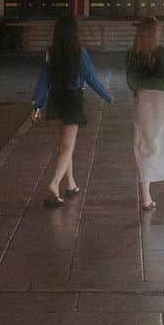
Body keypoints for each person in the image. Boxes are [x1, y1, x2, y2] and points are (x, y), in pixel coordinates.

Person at [32, 15, 112, 208]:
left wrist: (37, 104)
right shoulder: (80, 53)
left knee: (65, 145)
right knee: (68, 147)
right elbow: (91, 78)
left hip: (57, 98)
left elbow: (43, 81)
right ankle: (54, 184)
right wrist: (107, 96)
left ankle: (71, 184)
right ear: (74, 32)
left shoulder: (51, 53)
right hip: (73, 99)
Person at [126, 16, 164, 210]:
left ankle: (146, 197)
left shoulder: (131, 55)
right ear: (155, 33)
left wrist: (144, 85)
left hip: (143, 104)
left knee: (144, 146)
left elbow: (132, 83)